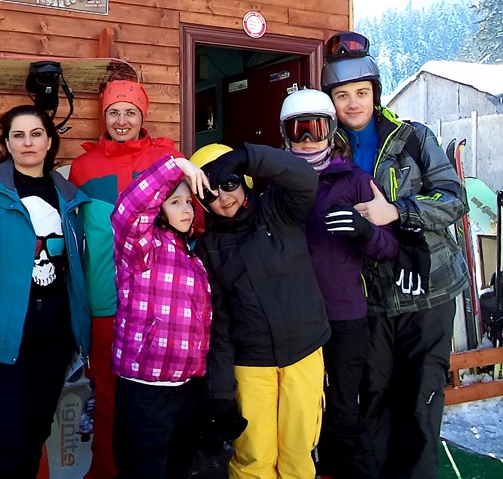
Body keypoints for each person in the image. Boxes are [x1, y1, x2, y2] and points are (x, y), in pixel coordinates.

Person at [321, 31, 469, 479]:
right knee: (375, 398)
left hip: (428, 290)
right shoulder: (325, 152)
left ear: (375, 93)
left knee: (421, 399)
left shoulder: (412, 138)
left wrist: (398, 210)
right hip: (370, 298)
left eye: (361, 93)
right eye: (342, 95)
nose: (352, 104)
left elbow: (453, 198)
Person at [0, 104, 90, 479]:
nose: (27, 142)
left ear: (49, 142)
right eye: (18, 135)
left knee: (37, 430)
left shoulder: (69, 196)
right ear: (7, 143)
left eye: (36, 134)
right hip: (2, 332)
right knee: (7, 436)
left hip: (55, 333)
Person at [191, 142, 330, 479]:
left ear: (245, 180)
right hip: (251, 364)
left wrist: (247, 156)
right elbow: (218, 323)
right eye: (210, 192)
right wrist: (220, 393)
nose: (224, 197)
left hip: (303, 352)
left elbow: (304, 178)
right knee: (254, 458)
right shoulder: (209, 247)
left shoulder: (279, 210)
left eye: (229, 183)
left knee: (298, 454)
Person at [279, 88, 399, 479]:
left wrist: (365, 231)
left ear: (331, 130)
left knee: (345, 407)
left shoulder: (355, 181)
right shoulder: (277, 185)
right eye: (298, 131)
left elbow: (388, 248)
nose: (307, 140)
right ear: (285, 135)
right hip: (295, 318)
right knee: (301, 408)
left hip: (344, 314)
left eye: (315, 129)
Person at [68, 80, 182, 479]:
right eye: (114, 112)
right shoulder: (83, 167)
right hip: (104, 298)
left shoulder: (166, 157)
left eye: (130, 112)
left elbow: (188, 218)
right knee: (107, 397)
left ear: (142, 116)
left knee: (152, 399)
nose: (122, 120)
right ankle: (104, 471)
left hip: (155, 298)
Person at [110, 155, 212, 479]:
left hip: (185, 389)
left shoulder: (192, 256)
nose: (186, 209)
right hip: (146, 390)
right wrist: (176, 166)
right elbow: (128, 211)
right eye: (175, 202)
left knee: (176, 470)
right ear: (158, 210)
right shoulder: (142, 249)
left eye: (188, 202)